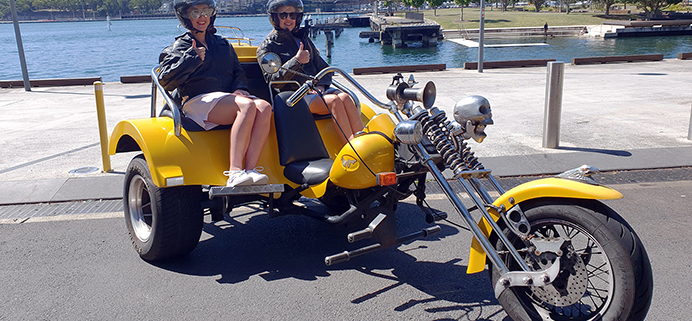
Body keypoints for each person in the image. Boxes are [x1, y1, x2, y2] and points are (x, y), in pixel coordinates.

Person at [158, 0, 272, 187]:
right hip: (196, 100)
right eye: (195, 12)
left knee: (264, 107)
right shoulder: (179, 47)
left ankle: (251, 169)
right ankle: (235, 172)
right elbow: (166, 80)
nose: (202, 17)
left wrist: (240, 88)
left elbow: (238, 71)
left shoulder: (222, 44)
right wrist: (192, 58)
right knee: (247, 105)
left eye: (206, 11)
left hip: (225, 98)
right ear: (185, 16)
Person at [256, 0, 364, 145]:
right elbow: (273, 80)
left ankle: (362, 140)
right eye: (283, 15)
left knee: (346, 97)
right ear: (275, 17)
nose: (289, 19)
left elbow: (324, 69)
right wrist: (297, 61)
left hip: (313, 91)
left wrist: (320, 86)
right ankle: (352, 146)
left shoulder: (302, 39)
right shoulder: (267, 46)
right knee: (334, 101)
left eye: (292, 15)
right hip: (291, 96)